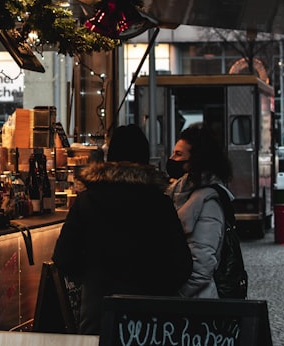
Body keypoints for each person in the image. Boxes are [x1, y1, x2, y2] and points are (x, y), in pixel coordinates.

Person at [52, 125, 192, 334]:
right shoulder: (159, 203)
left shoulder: (87, 201)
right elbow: (182, 264)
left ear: (110, 158)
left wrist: (93, 277)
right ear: (145, 160)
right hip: (150, 321)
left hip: (99, 313)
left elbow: (64, 258)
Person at [166, 122, 232, 298]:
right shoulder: (179, 191)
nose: (171, 158)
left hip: (197, 305)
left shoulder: (207, 202)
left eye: (178, 154)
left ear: (195, 159)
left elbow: (202, 267)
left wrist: (173, 297)